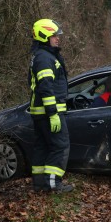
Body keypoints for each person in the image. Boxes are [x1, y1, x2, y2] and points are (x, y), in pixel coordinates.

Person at [28, 19, 74, 193]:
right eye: (54, 35)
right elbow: (46, 87)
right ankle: (54, 185)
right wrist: (53, 113)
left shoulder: (43, 55)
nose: (57, 38)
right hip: (48, 112)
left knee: (43, 147)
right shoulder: (44, 58)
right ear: (44, 36)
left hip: (41, 112)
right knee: (60, 146)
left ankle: (40, 185)